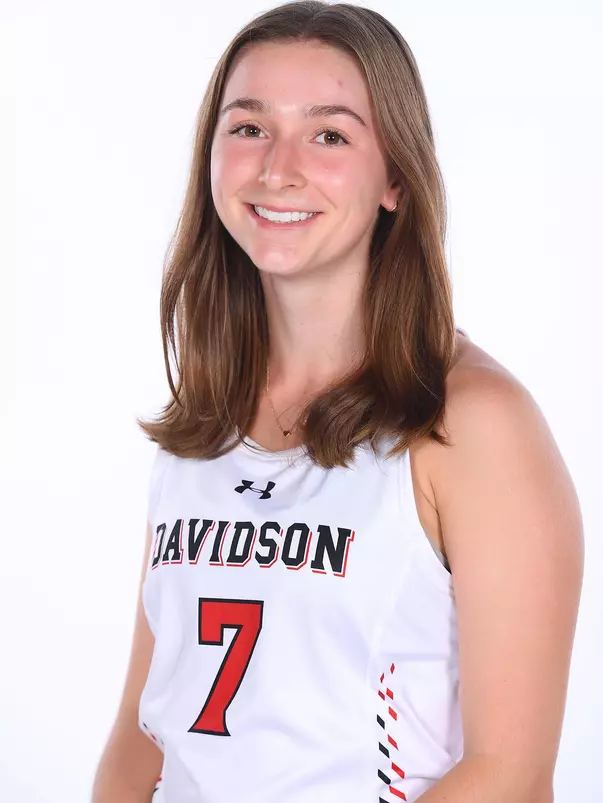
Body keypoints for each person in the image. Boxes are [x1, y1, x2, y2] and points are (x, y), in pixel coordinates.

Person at [91, 2, 583, 802]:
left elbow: (511, 773)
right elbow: (143, 733)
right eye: (247, 127)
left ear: (395, 177)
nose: (276, 168)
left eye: (329, 135)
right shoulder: (198, 428)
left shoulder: (471, 422)